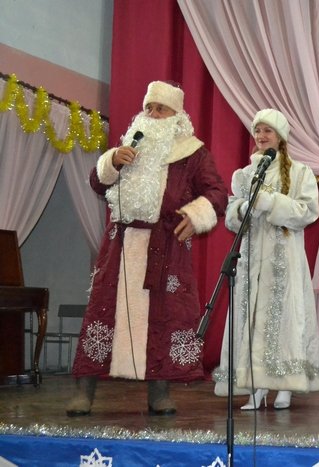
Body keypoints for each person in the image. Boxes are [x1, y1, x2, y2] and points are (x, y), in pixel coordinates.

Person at [67, 81, 228, 416]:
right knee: (102, 312)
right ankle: (85, 391)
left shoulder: (193, 153)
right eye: (149, 108)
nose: (153, 115)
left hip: (165, 245)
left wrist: (195, 215)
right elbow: (97, 183)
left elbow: (217, 194)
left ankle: (159, 393)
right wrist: (112, 160)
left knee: (164, 316)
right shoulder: (129, 144)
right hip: (120, 245)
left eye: (161, 109)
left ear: (176, 116)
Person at [213, 108, 319, 410]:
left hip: (283, 261)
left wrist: (271, 202)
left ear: (280, 136)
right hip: (252, 260)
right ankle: (256, 385)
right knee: (251, 320)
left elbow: (307, 212)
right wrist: (242, 209)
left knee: (284, 319)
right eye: (258, 131)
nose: (261, 136)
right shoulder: (245, 174)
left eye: (268, 131)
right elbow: (231, 215)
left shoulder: (300, 173)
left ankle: (285, 385)